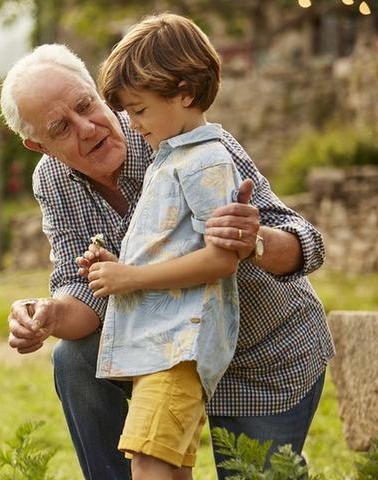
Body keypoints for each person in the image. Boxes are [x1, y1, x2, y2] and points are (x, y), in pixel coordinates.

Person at [0, 40, 333, 479]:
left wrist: (256, 237)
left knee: (256, 474)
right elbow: (85, 290)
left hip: (259, 354)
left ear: (98, 92)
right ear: (38, 145)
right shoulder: (54, 180)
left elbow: (307, 244)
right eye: (61, 127)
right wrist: (48, 314)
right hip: (164, 353)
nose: (87, 128)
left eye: (87, 105)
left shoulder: (184, 137)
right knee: (74, 358)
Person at [79, 14, 242, 479]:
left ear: (185, 92)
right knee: (163, 463)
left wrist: (131, 278)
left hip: (180, 345)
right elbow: (174, 247)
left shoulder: (204, 160)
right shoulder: (170, 156)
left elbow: (222, 257)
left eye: (140, 110)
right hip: (160, 345)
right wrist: (118, 266)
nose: (131, 123)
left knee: (150, 462)